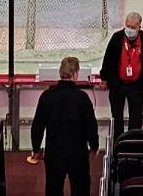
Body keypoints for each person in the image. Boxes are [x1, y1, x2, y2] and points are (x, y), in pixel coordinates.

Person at [28, 55, 99, 196]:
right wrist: (94, 146)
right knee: (81, 189)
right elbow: (91, 125)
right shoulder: (82, 97)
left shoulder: (47, 96)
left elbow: (38, 125)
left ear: (61, 73)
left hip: (54, 153)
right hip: (78, 153)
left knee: (53, 189)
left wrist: (36, 148)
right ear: (75, 74)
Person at [99, 12, 143, 135]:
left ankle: (133, 148)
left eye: (133, 27)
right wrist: (104, 78)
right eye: (127, 26)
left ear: (139, 27)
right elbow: (107, 59)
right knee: (116, 118)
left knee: (135, 120)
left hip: (137, 86)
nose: (129, 29)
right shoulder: (117, 38)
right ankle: (117, 148)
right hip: (118, 85)